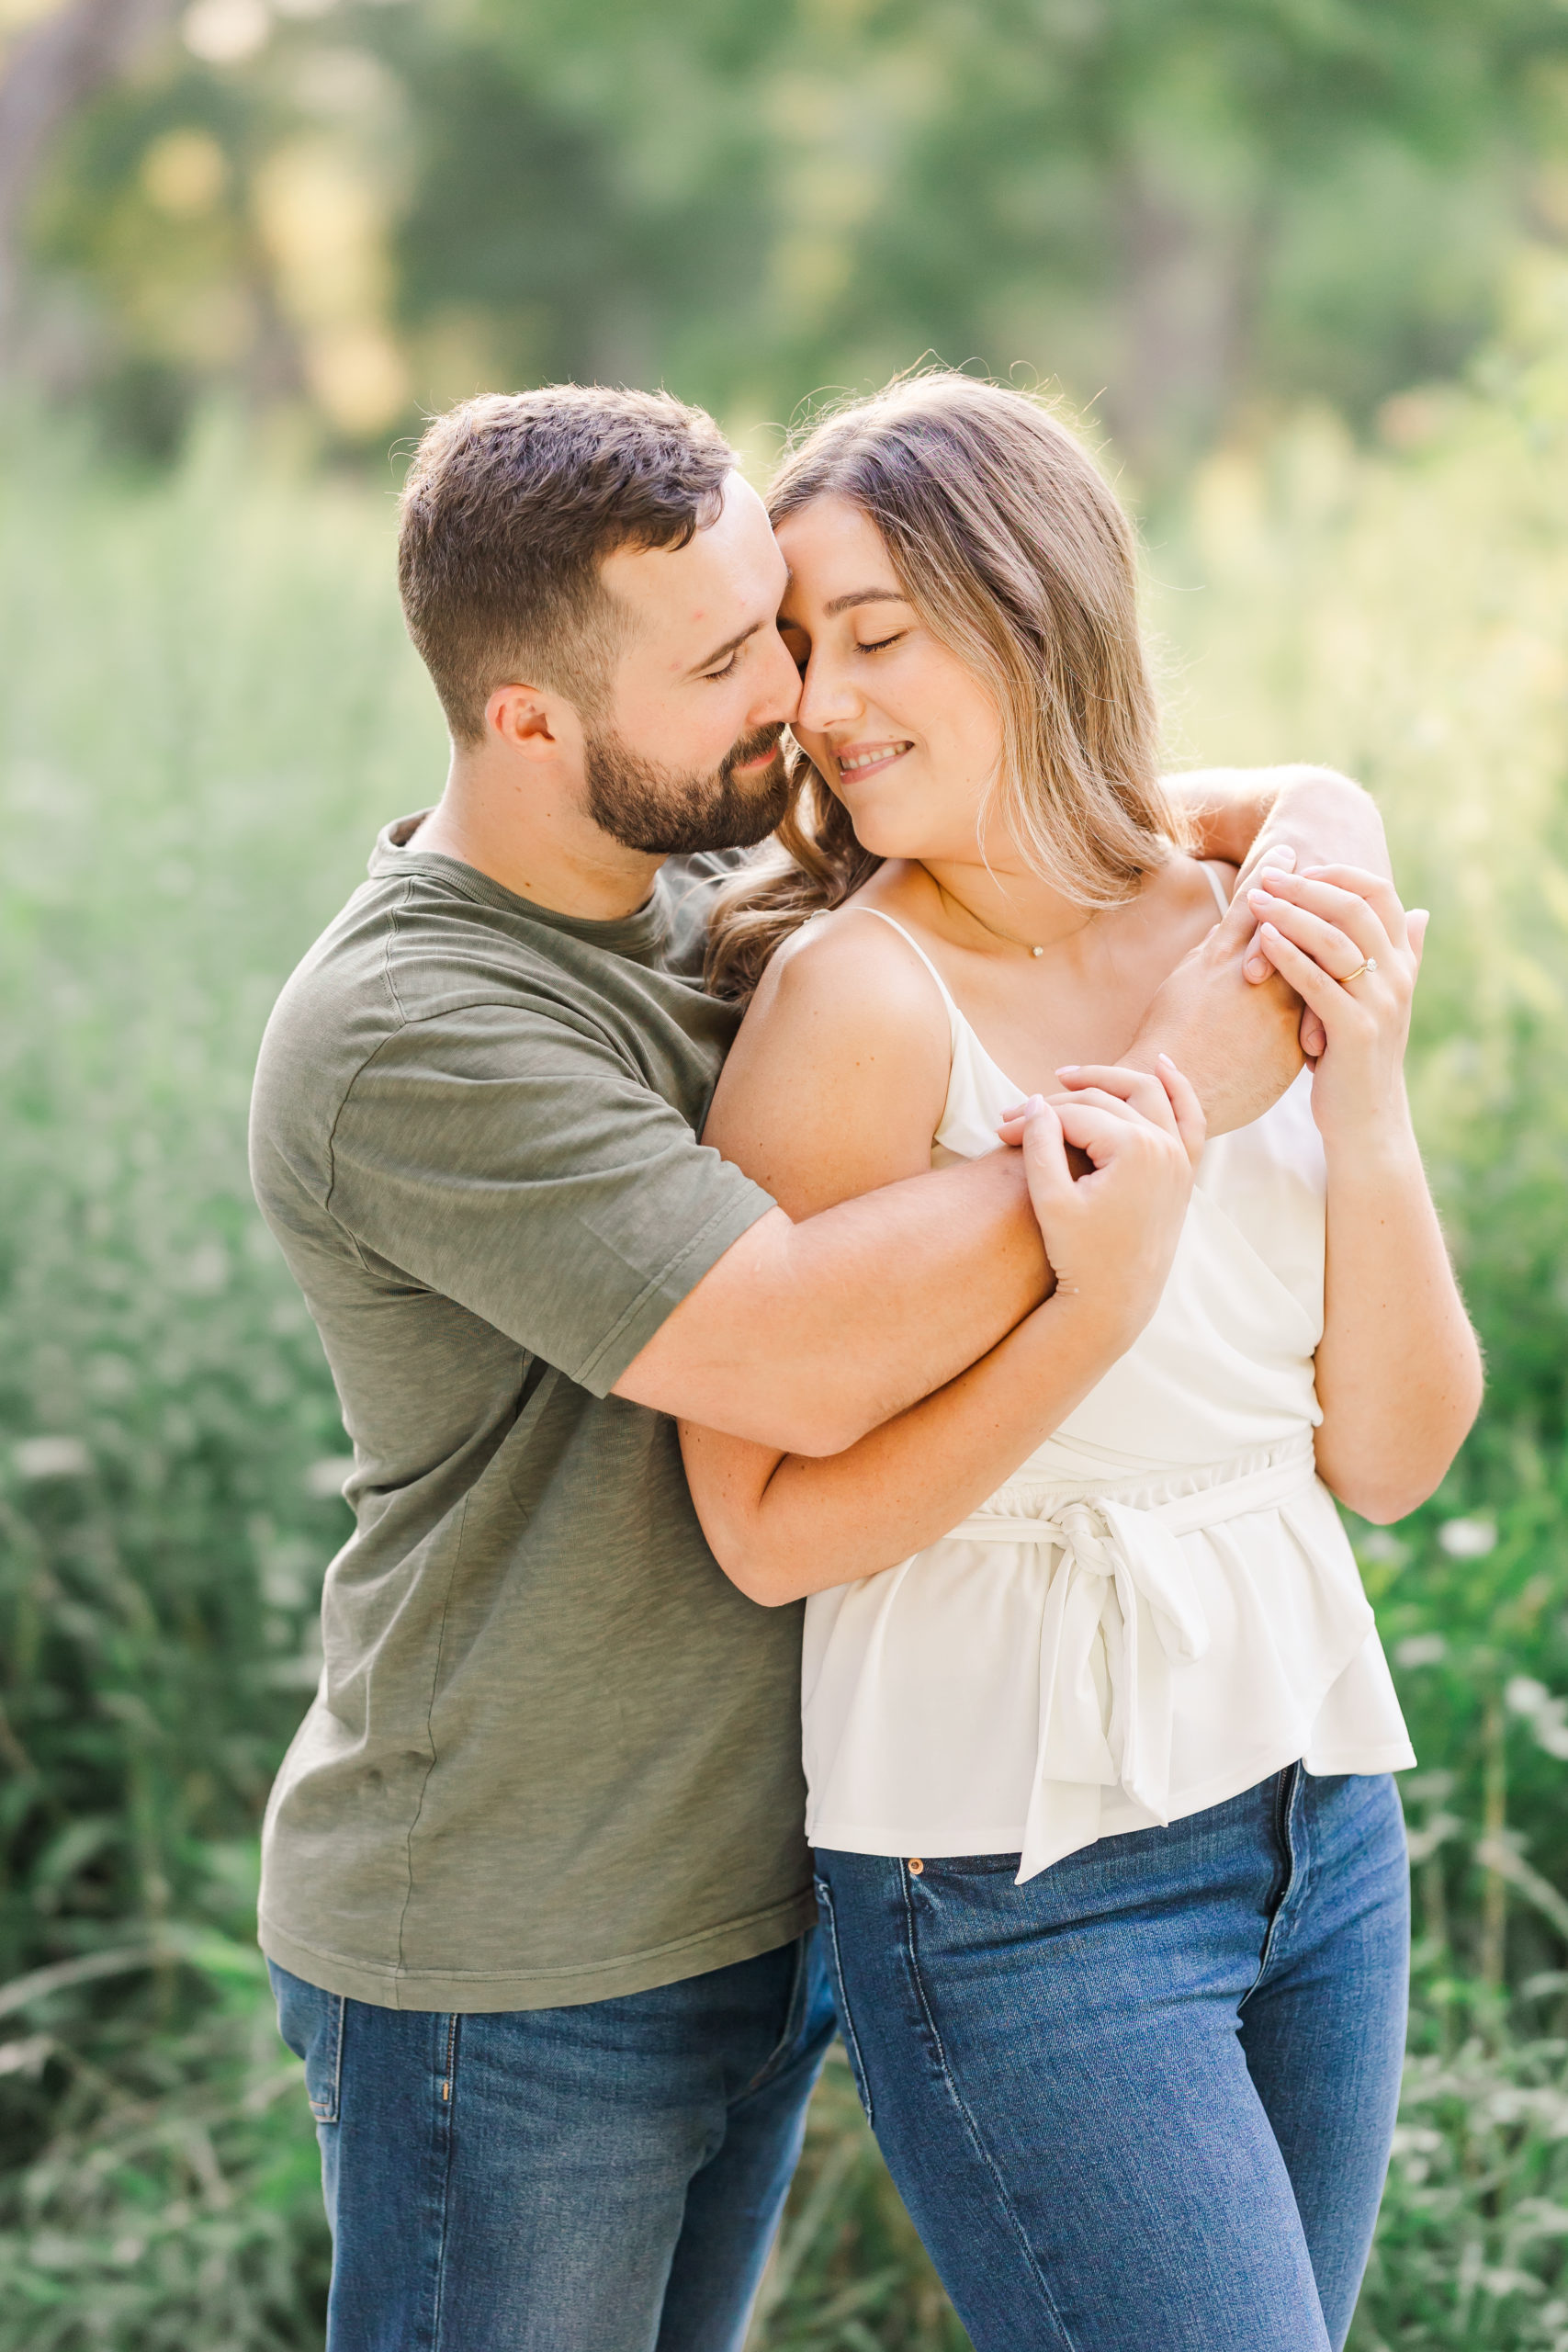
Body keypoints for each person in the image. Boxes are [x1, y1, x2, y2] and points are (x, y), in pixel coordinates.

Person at [249, 380, 1404, 2352]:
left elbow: (1112, 810)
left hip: (748, 1882)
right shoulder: (410, 1028)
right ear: (528, 718)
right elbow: (782, 1348)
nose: (790, 696)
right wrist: (1173, 1095)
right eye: (729, 657)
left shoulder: (688, 879)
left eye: (790, 625)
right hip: (516, 1941)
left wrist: (1319, 820)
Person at [682, 373, 1483, 2352]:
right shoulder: (851, 1005)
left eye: (877, 633)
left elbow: (1382, 1458)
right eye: (803, 652)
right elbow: (763, 1533)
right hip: (1014, 1872)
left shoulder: (1244, 926)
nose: (830, 702)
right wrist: (1084, 1303)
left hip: (1315, 1807)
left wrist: (1357, 1089)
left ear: (1037, 610)